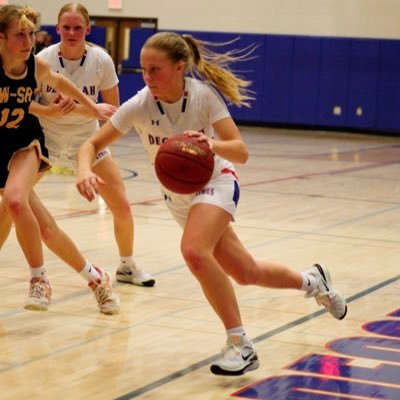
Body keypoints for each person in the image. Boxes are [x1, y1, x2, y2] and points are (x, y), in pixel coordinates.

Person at [75, 31, 348, 376]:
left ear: (179, 68)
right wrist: (84, 169)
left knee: (193, 251)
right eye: (143, 70)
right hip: (180, 198)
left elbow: (241, 150)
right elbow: (91, 143)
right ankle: (313, 281)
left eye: (155, 69)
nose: (147, 77)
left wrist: (211, 144)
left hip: (217, 181)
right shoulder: (140, 105)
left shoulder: (203, 97)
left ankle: (240, 344)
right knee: (245, 272)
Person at [0, 4, 119, 314]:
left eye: (30, 34)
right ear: (1, 38)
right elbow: (23, 103)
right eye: (19, 36)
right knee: (43, 227)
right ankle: (97, 279)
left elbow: (60, 83)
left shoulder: (36, 66)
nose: (28, 42)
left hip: (25, 145)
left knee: (14, 201)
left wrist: (93, 108)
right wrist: (48, 109)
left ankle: (39, 280)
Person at [31, 2, 155, 287]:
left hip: (87, 140)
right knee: (11, 204)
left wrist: (76, 108)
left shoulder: (101, 60)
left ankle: (126, 266)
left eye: (78, 27)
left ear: (88, 29)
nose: (72, 32)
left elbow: (112, 110)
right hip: (46, 138)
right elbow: (27, 103)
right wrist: (68, 108)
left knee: (122, 205)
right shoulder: (43, 59)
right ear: (58, 28)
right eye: (66, 27)